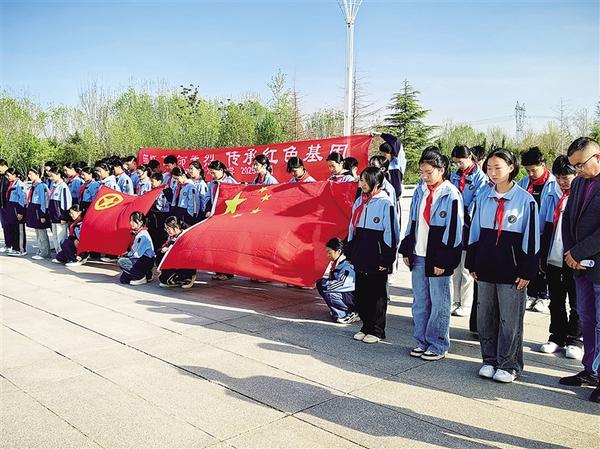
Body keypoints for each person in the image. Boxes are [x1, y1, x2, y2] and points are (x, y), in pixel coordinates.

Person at [466, 148, 539, 383]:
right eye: (489, 168)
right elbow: (475, 233)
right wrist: (472, 262)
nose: (493, 172)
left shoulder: (525, 200)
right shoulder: (483, 197)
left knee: (510, 320)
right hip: (486, 267)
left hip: (512, 271)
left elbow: (532, 238)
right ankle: (489, 360)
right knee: (485, 317)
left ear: (511, 168)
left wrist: (527, 270)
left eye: (498, 167)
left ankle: (509, 364)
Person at [399, 150, 463, 361]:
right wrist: (407, 247)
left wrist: (444, 259)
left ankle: (438, 344)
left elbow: (454, 231)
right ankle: (421, 341)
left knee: (440, 302)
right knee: (420, 301)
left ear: (441, 170)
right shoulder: (420, 191)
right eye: (422, 172)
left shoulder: (450, 194)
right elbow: (412, 222)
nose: (424, 176)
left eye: (429, 172)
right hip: (419, 253)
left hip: (438, 256)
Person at [559, 136, 600, 403]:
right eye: (574, 166)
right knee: (587, 319)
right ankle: (590, 370)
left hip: (597, 265)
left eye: (580, 164)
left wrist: (578, 252)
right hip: (579, 266)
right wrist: (571, 253)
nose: (577, 170)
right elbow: (567, 220)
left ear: (597, 157)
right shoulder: (579, 183)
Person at [345, 167, 399, 344]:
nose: (363, 183)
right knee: (361, 293)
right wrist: (350, 250)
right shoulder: (359, 201)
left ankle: (377, 330)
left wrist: (387, 258)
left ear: (377, 182)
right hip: (361, 253)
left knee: (376, 294)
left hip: (377, 255)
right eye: (361, 180)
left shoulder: (385, 203)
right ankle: (366, 326)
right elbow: (352, 228)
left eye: (366, 180)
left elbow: (392, 232)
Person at [538, 155, 582, 359]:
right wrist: (541, 254)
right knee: (555, 299)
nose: (562, 182)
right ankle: (557, 336)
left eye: (566, 177)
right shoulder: (551, 192)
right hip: (553, 253)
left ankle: (575, 338)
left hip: (574, 255)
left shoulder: (581, 193)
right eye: (558, 177)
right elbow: (543, 224)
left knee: (576, 300)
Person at [518, 147, 561, 312]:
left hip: (545, 230)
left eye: (533, 170)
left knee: (543, 264)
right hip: (528, 230)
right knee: (530, 261)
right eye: (527, 170)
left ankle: (543, 296)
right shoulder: (524, 183)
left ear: (543, 165)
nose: (530, 174)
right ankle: (532, 294)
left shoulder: (553, 184)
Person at [449, 145, 489, 317]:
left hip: (468, 222)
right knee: (455, 266)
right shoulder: (455, 175)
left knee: (466, 267)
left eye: (461, 162)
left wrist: (466, 215)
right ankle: (455, 300)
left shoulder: (480, 177)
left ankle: (465, 303)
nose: (458, 165)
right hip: (455, 220)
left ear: (470, 158)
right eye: (455, 162)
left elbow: (478, 199)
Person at [316, 237, 358, 324]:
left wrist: (325, 284)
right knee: (321, 284)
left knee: (328, 292)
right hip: (347, 295)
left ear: (338, 251)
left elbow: (341, 284)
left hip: (354, 298)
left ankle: (348, 313)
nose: (328, 255)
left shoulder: (347, 266)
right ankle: (339, 310)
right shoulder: (337, 264)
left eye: (329, 252)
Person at [157, 216, 196, 288]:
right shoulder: (172, 236)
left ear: (176, 227)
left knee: (167, 280)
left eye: (169, 229)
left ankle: (189, 277)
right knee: (163, 279)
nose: (167, 231)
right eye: (166, 229)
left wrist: (170, 249)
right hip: (175, 263)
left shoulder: (185, 235)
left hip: (184, 264)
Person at [118, 211, 155, 285]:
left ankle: (140, 277)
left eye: (134, 221)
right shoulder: (139, 232)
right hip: (142, 260)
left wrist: (126, 255)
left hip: (145, 260)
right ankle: (146, 274)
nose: (131, 223)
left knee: (121, 261)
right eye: (131, 220)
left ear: (141, 222)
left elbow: (136, 254)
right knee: (123, 279)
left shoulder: (142, 235)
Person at [25, 168, 51, 260]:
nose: (29, 176)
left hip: (39, 210)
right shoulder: (34, 185)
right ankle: (41, 250)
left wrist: (43, 214)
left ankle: (45, 252)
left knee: (41, 232)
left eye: (31, 174)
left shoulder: (42, 186)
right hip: (34, 209)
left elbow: (45, 201)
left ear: (37, 175)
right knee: (38, 232)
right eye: (29, 174)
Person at [47, 166, 73, 254]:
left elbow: (66, 203)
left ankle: (63, 254)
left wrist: (64, 217)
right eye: (50, 176)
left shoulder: (63, 187)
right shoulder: (54, 186)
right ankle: (59, 254)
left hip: (60, 217)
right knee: (55, 237)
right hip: (53, 216)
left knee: (61, 237)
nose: (51, 178)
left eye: (52, 176)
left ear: (58, 175)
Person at [3, 168, 27, 256]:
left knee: (19, 230)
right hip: (11, 210)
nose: (7, 177)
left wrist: (21, 212)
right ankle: (15, 248)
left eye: (8, 175)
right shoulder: (12, 184)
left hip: (17, 210)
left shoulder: (20, 185)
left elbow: (23, 199)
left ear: (15, 175)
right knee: (13, 230)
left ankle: (21, 249)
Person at [377, 132, 407, 201]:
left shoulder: (397, 163)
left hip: (394, 198)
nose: (383, 156)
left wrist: (381, 134)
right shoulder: (381, 165)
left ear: (391, 154)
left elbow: (395, 141)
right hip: (382, 198)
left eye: (385, 154)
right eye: (381, 154)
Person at [147, 173, 170, 252]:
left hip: (163, 214)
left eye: (152, 181)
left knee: (162, 233)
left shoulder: (166, 190)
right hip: (154, 214)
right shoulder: (152, 190)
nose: (151, 183)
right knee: (153, 232)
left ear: (159, 181)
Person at [0, 159, 9, 252]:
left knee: (8, 225)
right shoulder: (2, 177)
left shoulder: (9, 177)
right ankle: (7, 244)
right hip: (2, 205)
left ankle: (10, 244)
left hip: (7, 205)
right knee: (4, 225)